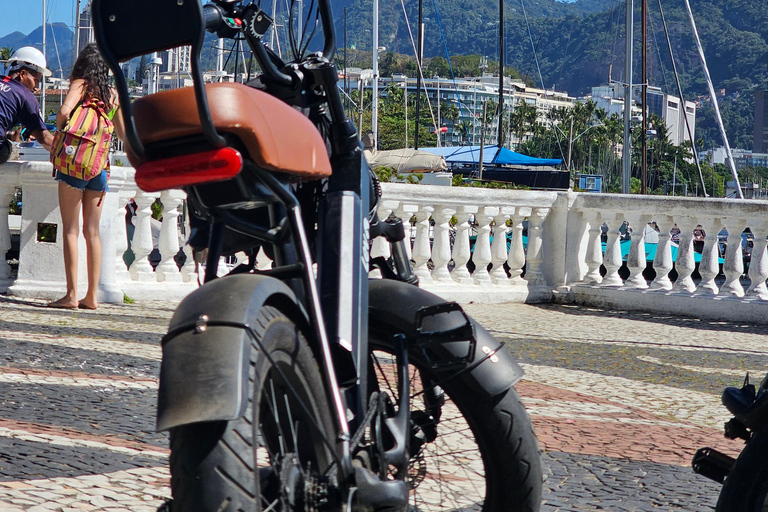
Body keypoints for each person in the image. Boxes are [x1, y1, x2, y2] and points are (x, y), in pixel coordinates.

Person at [48, 43, 125, 310]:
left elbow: (63, 112)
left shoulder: (80, 85)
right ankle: (92, 296)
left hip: (73, 166)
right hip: (99, 169)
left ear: (83, 63)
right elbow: (123, 134)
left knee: (70, 230)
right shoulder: (113, 95)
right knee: (93, 232)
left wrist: (60, 134)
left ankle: (71, 295)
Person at [0, 46, 54, 164]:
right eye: (36, 81)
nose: (36, 88)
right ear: (23, 74)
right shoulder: (24, 95)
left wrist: (13, 136)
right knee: (10, 149)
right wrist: (71, 152)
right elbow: (44, 139)